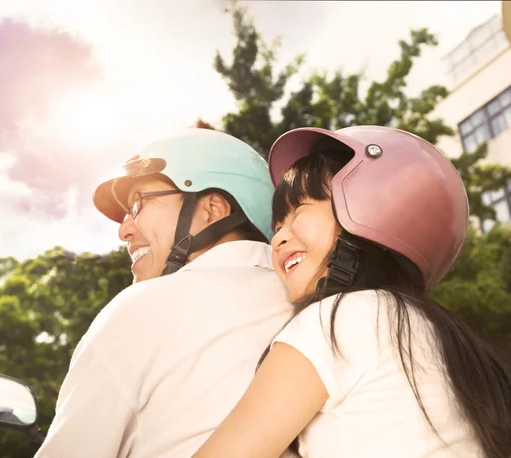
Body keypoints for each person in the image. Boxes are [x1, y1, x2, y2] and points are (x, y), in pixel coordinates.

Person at [193, 125, 511, 458]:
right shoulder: (448, 337)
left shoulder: (336, 320)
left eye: (298, 211)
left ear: (367, 205)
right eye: (276, 227)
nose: (277, 239)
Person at [34, 128, 296, 457]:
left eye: (138, 204)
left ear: (213, 209)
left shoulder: (140, 310)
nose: (124, 230)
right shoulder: (314, 305)